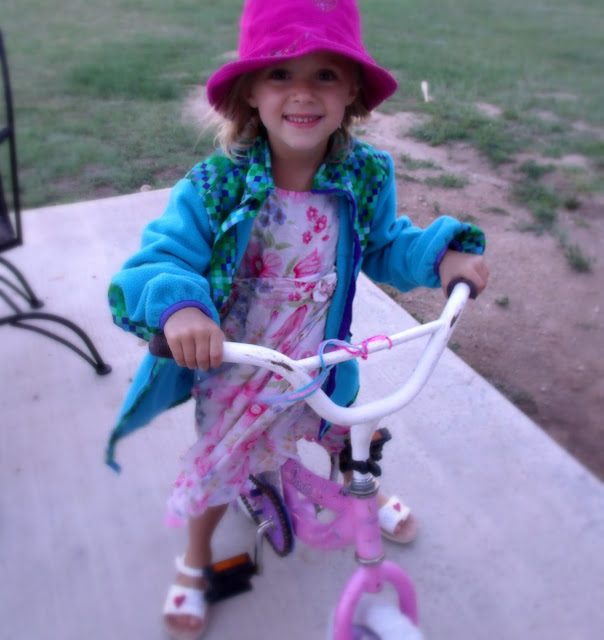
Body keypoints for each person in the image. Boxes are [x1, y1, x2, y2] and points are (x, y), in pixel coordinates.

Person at [106, 0, 488, 637]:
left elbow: (386, 244)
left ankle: (362, 496)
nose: (303, 93)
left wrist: (440, 256)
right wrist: (182, 307)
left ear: (353, 91)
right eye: (280, 73)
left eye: (325, 75)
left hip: (320, 361)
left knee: (351, 436)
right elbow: (162, 259)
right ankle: (195, 562)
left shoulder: (364, 176)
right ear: (250, 91)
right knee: (218, 469)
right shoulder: (215, 186)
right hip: (238, 372)